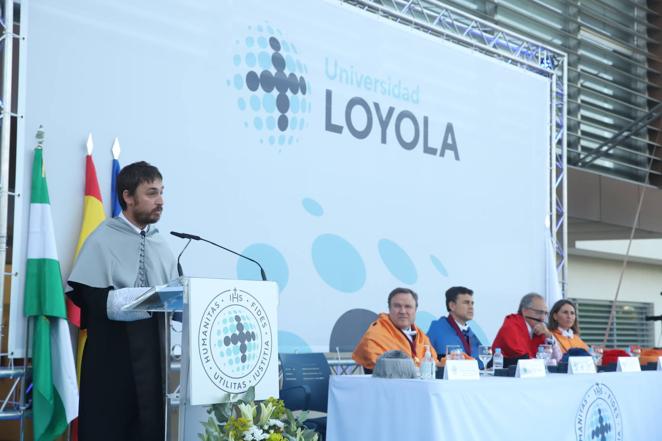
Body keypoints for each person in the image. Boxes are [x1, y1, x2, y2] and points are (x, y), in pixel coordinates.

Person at [67, 161, 178, 441]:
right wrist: (139, 300)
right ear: (128, 197)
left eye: (162, 192)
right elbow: (89, 298)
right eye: (152, 193)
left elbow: (176, 297)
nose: (161, 201)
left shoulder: (162, 244)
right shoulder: (102, 239)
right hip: (111, 361)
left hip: (154, 362)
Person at [352, 287, 439, 371]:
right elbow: (378, 366)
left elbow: (434, 365)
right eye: (397, 306)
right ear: (389, 308)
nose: (402, 311)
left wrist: (449, 361)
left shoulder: (420, 336)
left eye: (408, 306)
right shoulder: (376, 333)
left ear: (415, 310)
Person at [492, 292, 561, 363]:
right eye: (539, 312)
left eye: (545, 313)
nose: (543, 318)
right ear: (524, 311)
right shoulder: (511, 326)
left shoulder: (539, 330)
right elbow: (522, 359)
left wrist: (549, 335)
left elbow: (558, 359)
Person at [426, 286, 483, 366]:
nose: (471, 307)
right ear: (452, 306)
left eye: (472, 303)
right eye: (466, 303)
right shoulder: (438, 329)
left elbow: (484, 362)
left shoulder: (470, 333)